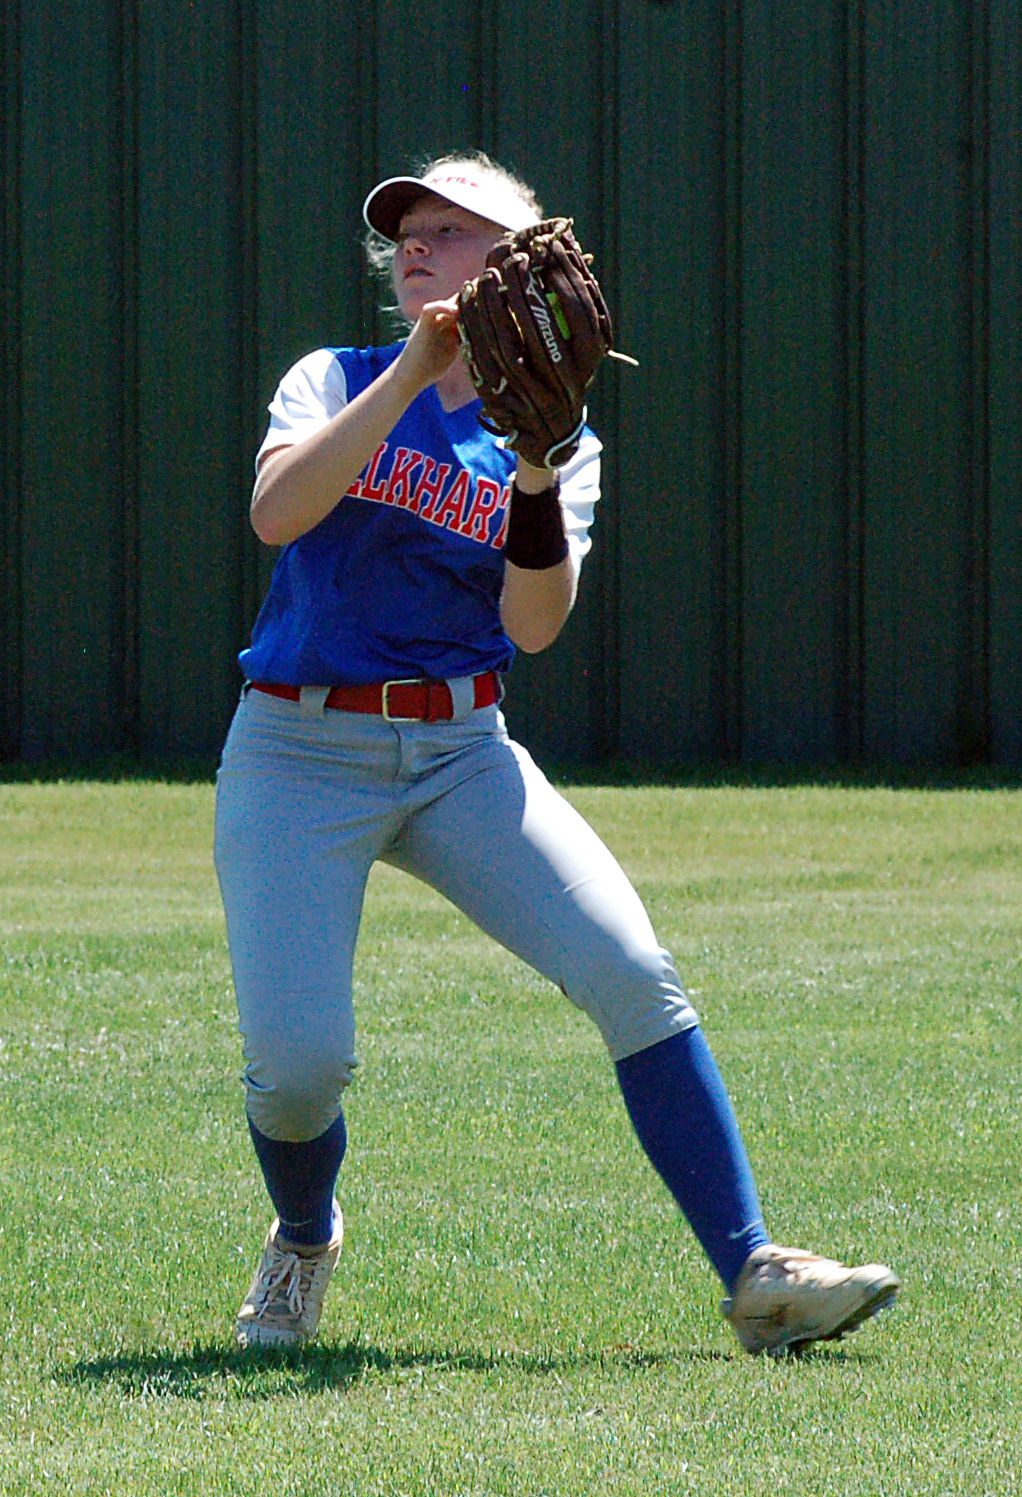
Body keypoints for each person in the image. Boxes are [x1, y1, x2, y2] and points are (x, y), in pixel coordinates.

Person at [214, 149, 899, 1357]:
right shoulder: (335, 375)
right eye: (406, 231)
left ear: (524, 261)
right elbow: (279, 512)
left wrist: (532, 462)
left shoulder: (558, 438)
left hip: (460, 749)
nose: (417, 245)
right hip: (297, 749)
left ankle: (755, 1273)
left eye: (453, 229)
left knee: (635, 974)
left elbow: (532, 623)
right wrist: (417, 373)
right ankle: (305, 1237)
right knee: (300, 1067)